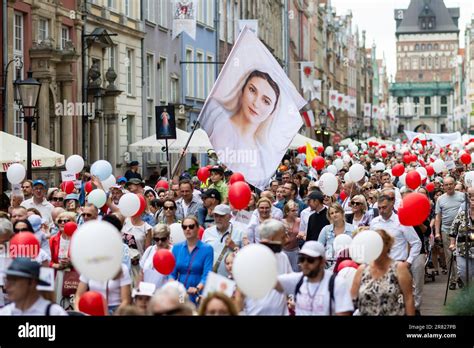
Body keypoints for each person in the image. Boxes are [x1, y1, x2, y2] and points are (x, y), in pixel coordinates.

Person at [201, 70, 284, 188]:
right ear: (242, 90)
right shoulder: (216, 126)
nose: (256, 103)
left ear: (271, 112)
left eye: (266, 101)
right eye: (252, 90)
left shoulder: (264, 153)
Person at [275, 241, 354, 316]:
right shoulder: (297, 280)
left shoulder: (337, 283)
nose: (305, 263)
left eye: (310, 260)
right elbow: (270, 282)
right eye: (302, 259)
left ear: (322, 262)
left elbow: (344, 312)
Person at [351, 229, 415, 316]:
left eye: (379, 244)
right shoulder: (362, 270)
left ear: (387, 245)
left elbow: (408, 298)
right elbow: (351, 300)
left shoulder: (399, 268)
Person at [243, 219, 293, 315]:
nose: (287, 239)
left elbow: (290, 282)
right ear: (271, 237)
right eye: (283, 237)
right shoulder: (250, 257)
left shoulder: (283, 256)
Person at [0, 258, 67, 315]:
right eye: (6, 281)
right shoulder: (5, 313)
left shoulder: (54, 313)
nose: (6, 287)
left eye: (13, 281)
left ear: (32, 283)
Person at [170, 216, 214, 304]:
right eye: (184, 227)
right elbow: (172, 273)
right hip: (181, 292)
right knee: (181, 311)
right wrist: (172, 286)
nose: (187, 229)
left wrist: (198, 288)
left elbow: (207, 274)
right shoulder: (176, 248)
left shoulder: (207, 249)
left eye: (191, 226)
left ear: (198, 228)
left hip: (198, 291)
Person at [369, 194, 421, 267]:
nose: (381, 210)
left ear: (391, 205)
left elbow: (416, 242)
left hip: (397, 264)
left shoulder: (402, 221)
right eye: (379, 208)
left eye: (384, 207)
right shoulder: (374, 222)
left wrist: (409, 262)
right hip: (380, 265)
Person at [435, 176, 466, 290]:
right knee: (449, 256)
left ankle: (460, 278)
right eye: (446, 184)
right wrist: (437, 232)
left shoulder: (462, 196)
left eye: (451, 184)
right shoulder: (440, 199)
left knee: (460, 255)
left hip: (461, 230)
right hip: (446, 230)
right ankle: (453, 279)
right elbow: (438, 217)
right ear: (443, 187)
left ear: (454, 184)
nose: (449, 186)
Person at [202, 204, 243, 276]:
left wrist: (234, 247)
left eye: (221, 216)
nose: (218, 219)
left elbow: (246, 259)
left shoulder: (239, 233)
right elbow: (201, 254)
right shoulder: (207, 232)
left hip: (231, 278)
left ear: (230, 217)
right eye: (216, 216)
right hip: (210, 277)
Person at [449, 187, 474, 286]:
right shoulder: (462, 214)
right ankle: (468, 289)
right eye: (471, 199)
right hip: (463, 249)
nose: (473, 202)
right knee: (463, 272)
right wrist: (452, 244)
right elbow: (453, 230)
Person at [140, 224, 172, 289]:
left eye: (163, 239)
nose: (160, 242)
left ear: (168, 238)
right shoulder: (149, 250)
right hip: (147, 292)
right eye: (156, 239)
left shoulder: (173, 252)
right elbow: (141, 273)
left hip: (164, 293)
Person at [282, 200, 301, 271]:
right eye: (293, 210)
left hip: (295, 250)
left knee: (296, 271)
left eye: (296, 210)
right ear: (287, 212)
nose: (296, 212)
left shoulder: (300, 221)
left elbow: (304, 232)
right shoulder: (281, 222)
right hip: (284, 250)